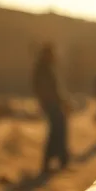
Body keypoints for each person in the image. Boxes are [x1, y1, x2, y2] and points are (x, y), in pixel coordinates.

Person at [33, 44, 69, 173]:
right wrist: (56, 101)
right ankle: (53, 162)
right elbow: (46, 90)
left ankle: (61, 161)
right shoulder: (43, 69)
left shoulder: (47, 68)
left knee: (59, 132)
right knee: (57, 132)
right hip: (51, 104)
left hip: (53, 104)